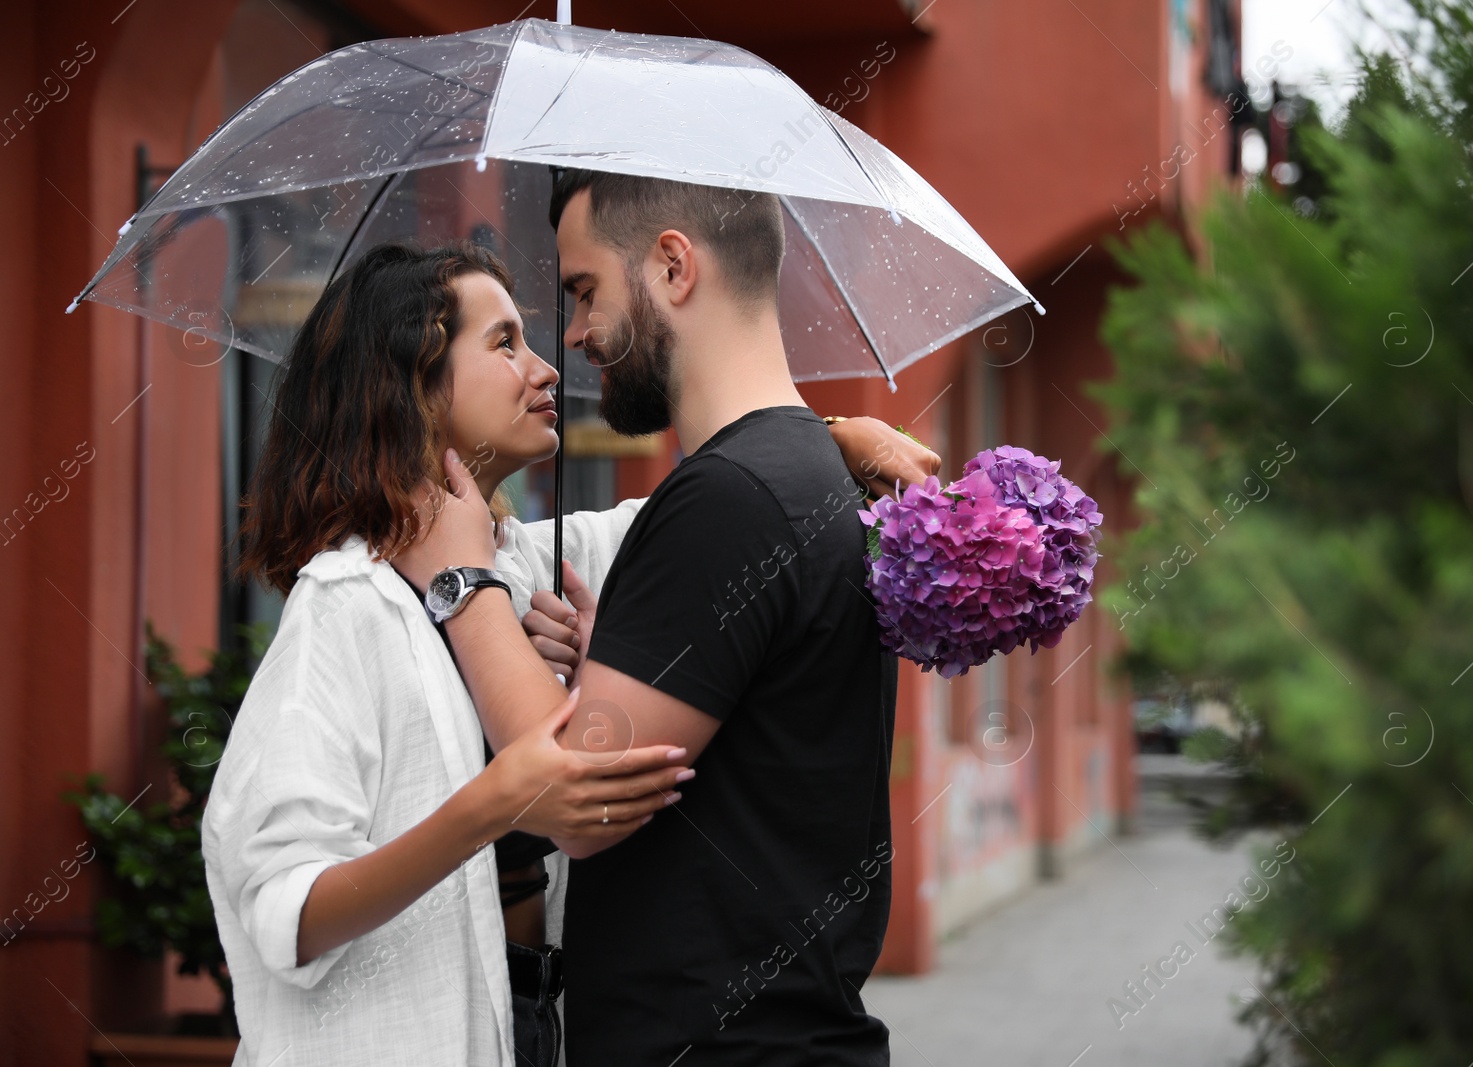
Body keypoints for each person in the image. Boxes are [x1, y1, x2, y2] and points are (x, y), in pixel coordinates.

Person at [204, 240, 935, 1066]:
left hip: (535, 1025)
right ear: (411, 381)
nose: (549, 369)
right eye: (505, 343)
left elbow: (717, 511)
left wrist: (831, 435)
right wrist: (488, 806)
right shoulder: (343, 609)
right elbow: (281, 910)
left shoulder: (525, 560)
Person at [394, 171, 910, 1066]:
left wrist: (460, 577)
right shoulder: (803, 473)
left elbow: (572, 801)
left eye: (586, 290)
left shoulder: (730, 498)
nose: (579, 334)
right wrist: (626, 663)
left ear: (673, 266)